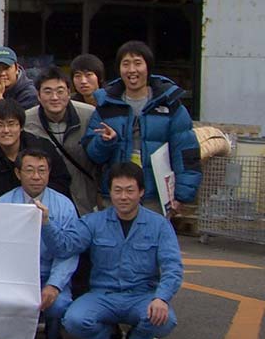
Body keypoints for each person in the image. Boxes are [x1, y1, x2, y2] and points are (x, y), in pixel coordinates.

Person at [41, 162, 183, 339]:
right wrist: (46, 223)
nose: (123, 197)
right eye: (117, 190)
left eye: (129, 191)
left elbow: (173, 267)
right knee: (74, 320)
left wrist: (161, 298)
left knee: (165, 320)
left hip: (141, 295)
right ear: (110, 192)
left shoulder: (159, 225)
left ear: (141, 192)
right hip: (103, 295)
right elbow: (64, 247)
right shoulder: (94, 221)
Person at [82, 41, 201, 216]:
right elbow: (93, 154)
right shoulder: (106, 106)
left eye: (137, 63)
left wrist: (182, 195)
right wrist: (105, 142)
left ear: (148, 67)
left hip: (155, 198)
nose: (132, 70)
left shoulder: (170, 106)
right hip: (115, 197)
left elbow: (186, 152)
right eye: (125, 64)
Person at [0, 149, 78, 339]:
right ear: (18, 173)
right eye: (29, 170)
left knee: (57, 304)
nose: (36, 177)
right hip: (15, 275)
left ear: (49, 173)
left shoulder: (64, 205)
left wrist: (54, 284)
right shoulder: (3, 203)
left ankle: (53, 331)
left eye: (42, 170)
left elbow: (69, 251)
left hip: (49, 272)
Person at [25, 67, 101, 215]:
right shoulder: (26, 120)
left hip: (85, 198)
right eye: (47, 92)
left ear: (68, 93)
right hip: (46, 201)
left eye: (60, 91)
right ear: (38, 95)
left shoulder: (89, 115)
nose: (54, 97)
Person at [0, 99, 72, 202]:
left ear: (21, 126)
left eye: (11, 124)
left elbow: (61, 182)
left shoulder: (42, 147)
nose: (6, 130)